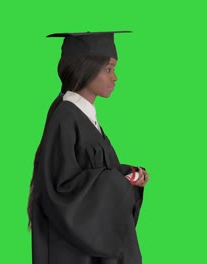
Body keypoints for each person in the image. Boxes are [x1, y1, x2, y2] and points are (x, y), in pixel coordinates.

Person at [27, 31, 151, 264]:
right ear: (85, 69)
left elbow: (91, 174)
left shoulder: (84, 118)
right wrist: (118, 183)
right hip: (75, 253)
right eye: (108, 69)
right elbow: (63, 192)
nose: (115, 78)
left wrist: (126, 175)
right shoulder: (66, 117)